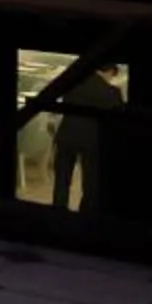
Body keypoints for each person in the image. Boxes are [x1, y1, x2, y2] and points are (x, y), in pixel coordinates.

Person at [54, 64, 125, 211]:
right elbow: (117, 121)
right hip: (92, 140)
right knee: (90, 184)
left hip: (67, 135)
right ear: (110, 71)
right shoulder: (112, 92)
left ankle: (58, 211)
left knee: (62, 180)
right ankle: (85, 214)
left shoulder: (73, 84)